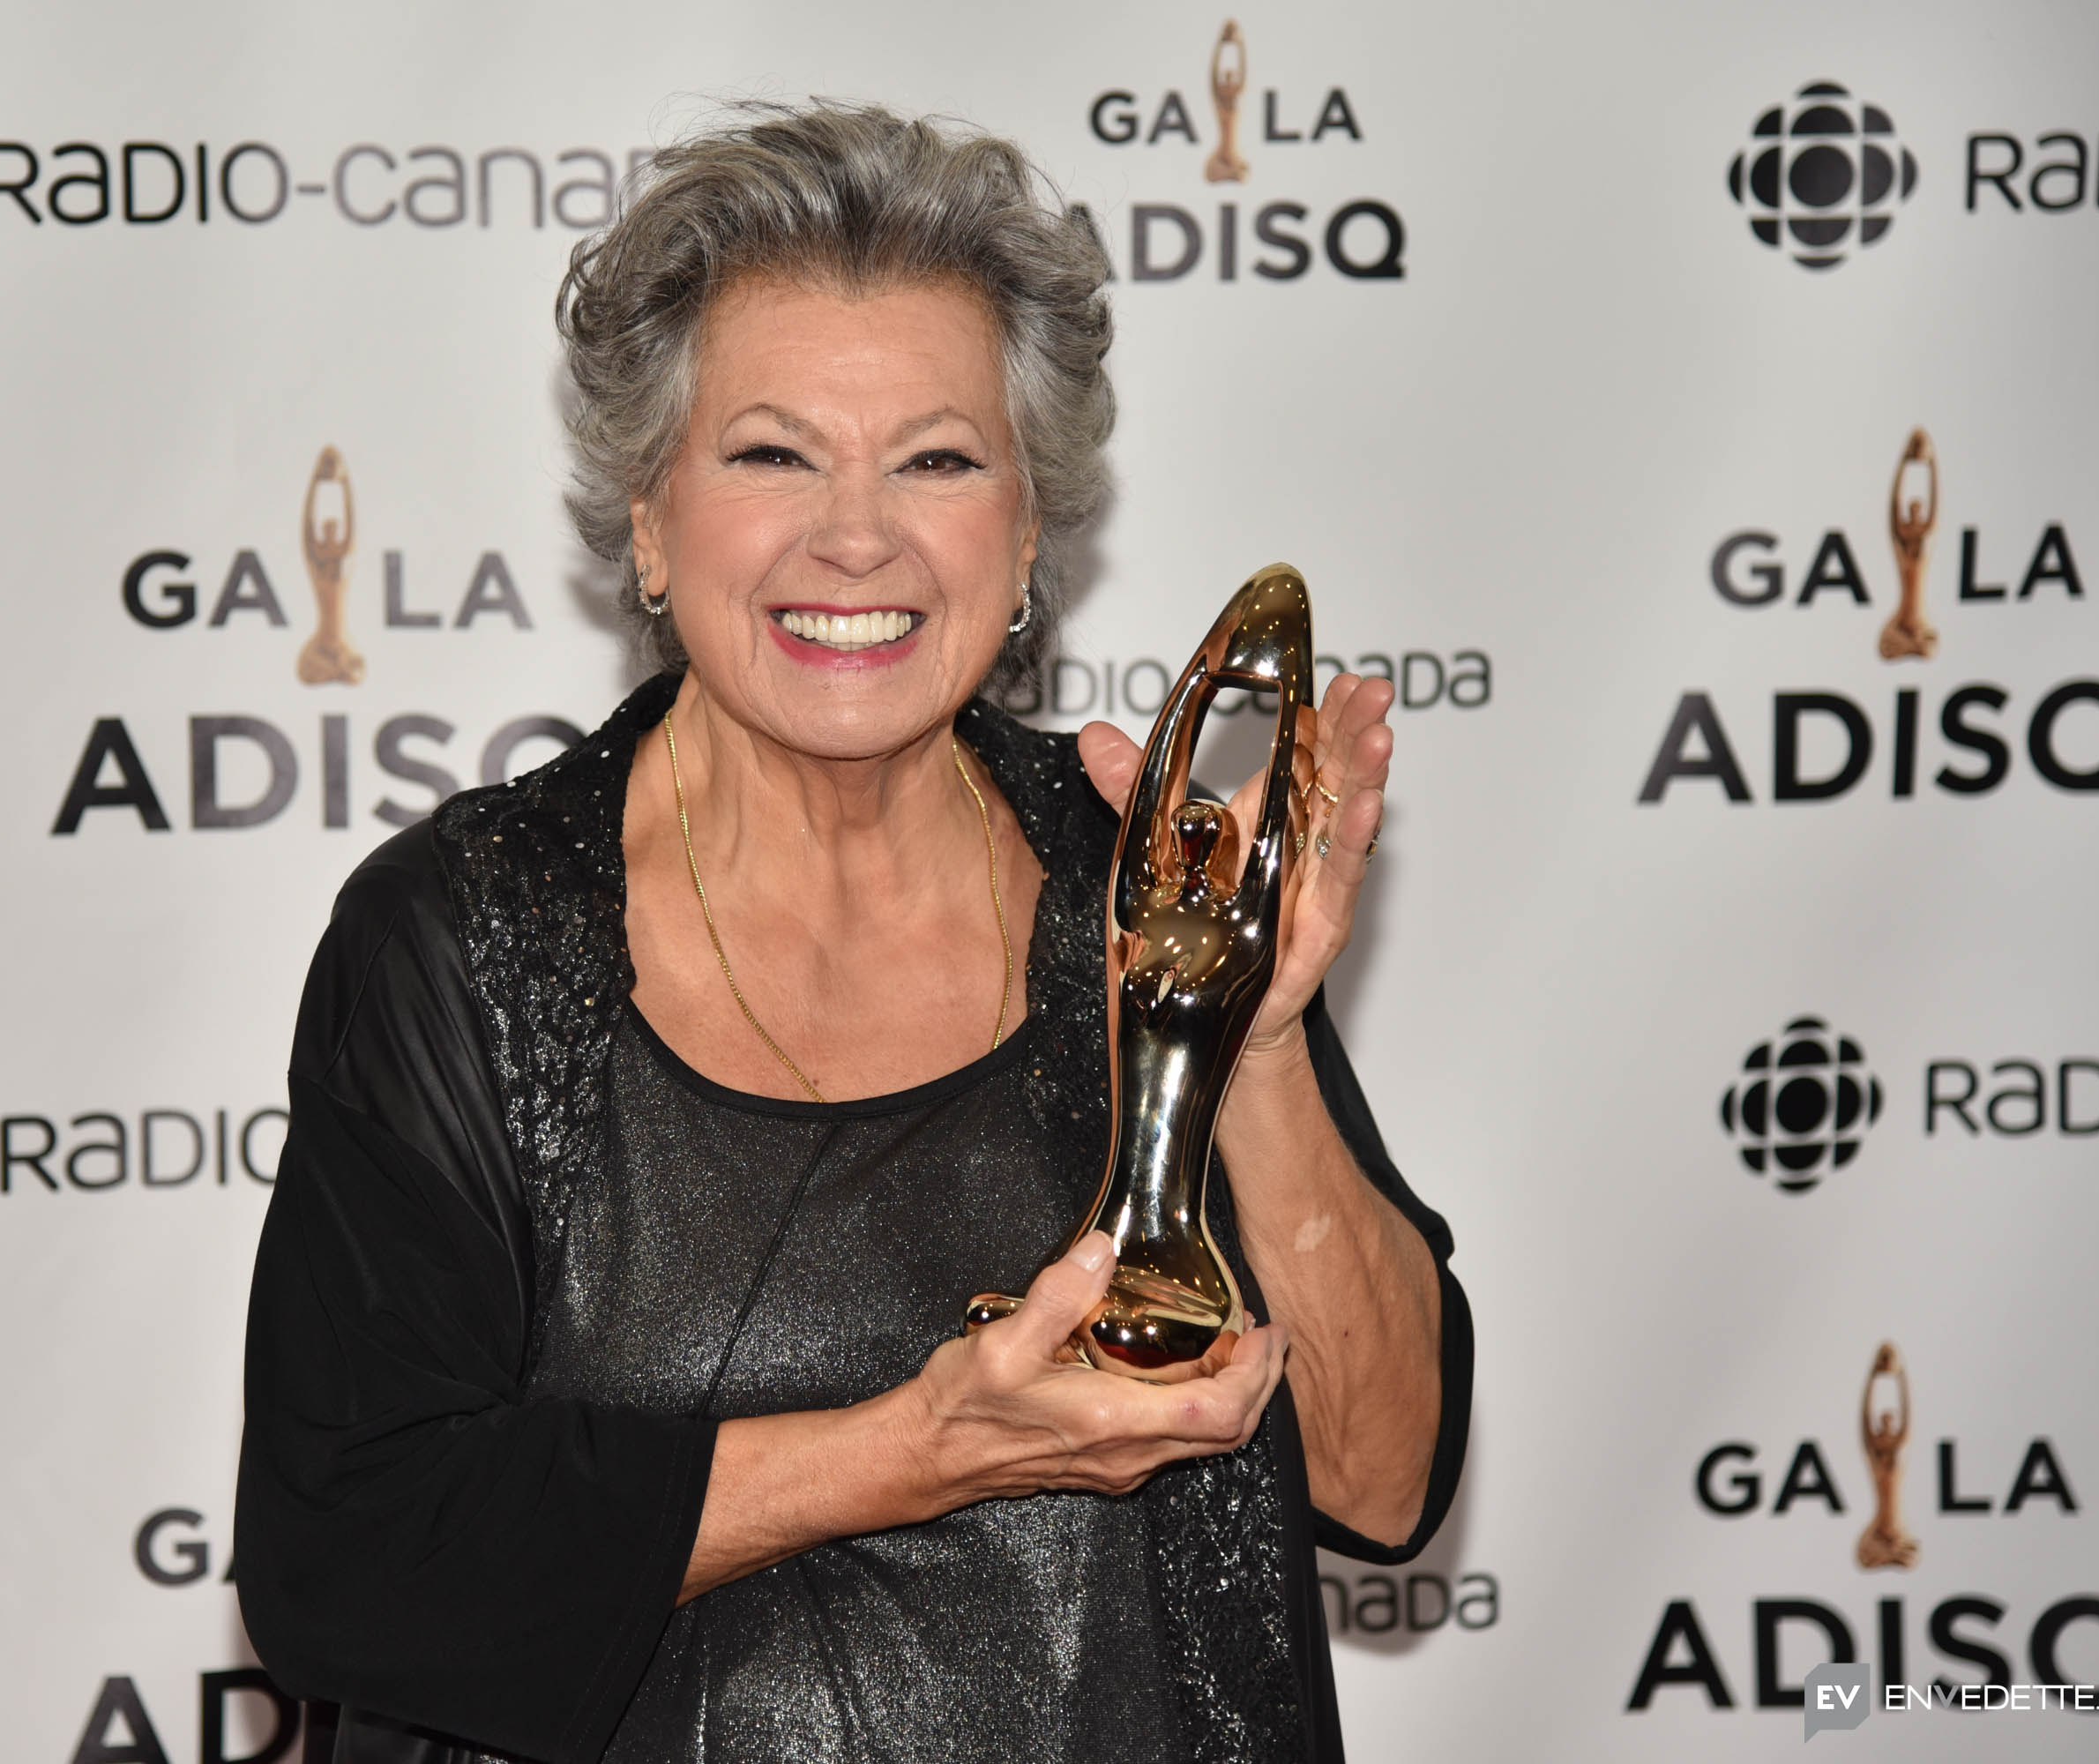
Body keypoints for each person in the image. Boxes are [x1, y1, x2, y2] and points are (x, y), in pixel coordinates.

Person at [236, 102, 1469, 1764]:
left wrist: (1240, 1035)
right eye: (772, 453)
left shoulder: (1142, 875)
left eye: (939, 460)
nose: (859, 536)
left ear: (1029, 538)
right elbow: (348, 1563)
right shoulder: (467, 940)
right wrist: (918, 1448)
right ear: (650, 525)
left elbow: (1385, 1481)